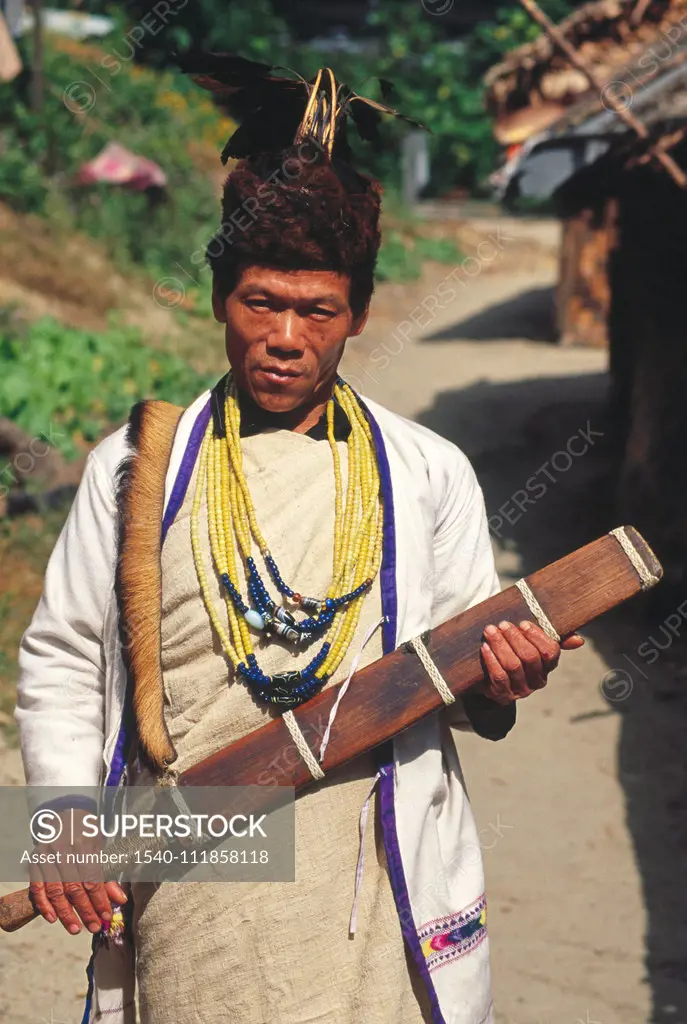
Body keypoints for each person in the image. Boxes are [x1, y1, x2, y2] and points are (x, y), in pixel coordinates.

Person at [15, 63, 584, 1024]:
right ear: (216, 301)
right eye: (258, 302)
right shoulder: (136, 467)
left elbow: (463, 662)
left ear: (357, 315)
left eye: (315, 312)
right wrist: (65, 822)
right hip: (193, 860)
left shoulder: (425, 470)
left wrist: (506, 673)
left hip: (366, 854)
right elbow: (64, 652)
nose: (283, 336)